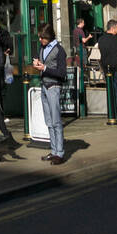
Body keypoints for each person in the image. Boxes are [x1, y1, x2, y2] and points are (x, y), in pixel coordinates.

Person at [32, 22, 66, 163]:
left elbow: (62, 73)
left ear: (49, 36)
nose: (40, 40)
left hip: (54, 87)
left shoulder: (59, 50)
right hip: (44, 86)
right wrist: (36, 64)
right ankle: (53, 151)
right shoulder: (42, 47)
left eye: (42, 37)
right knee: (49, 121)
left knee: (56, 121)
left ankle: (60, 153)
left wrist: (44, 68)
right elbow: (42, 64)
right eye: (39, 37)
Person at [96, 18, 117, 122]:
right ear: (113, 28)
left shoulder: (101, 39)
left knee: (111, 91)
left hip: (106, 68)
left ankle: (112, 114)